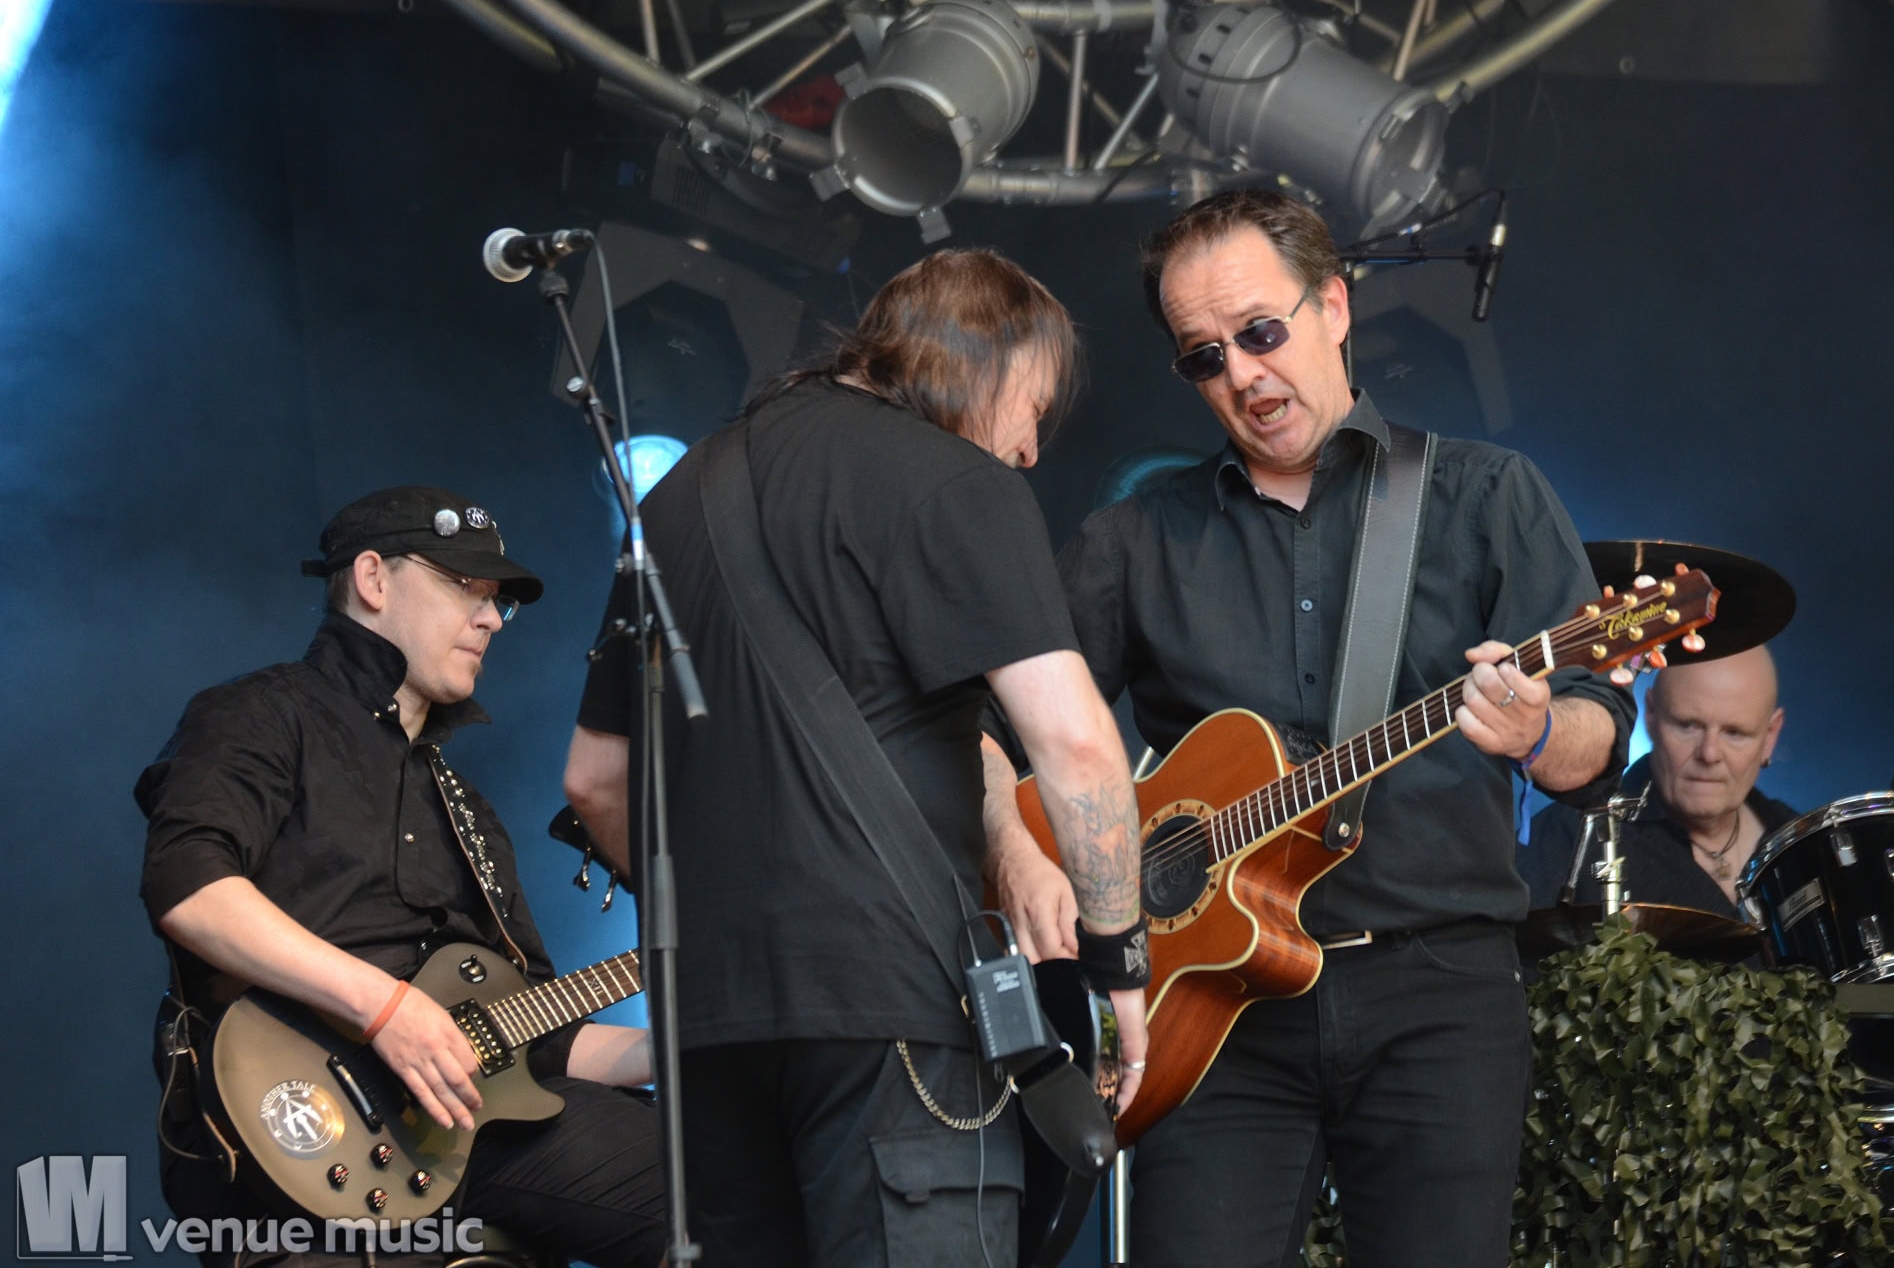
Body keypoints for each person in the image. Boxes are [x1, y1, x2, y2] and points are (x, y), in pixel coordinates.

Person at [990, 189, 1636, 1266]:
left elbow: (1597, 741)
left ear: (1333, 306)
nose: (1242, 375)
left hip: (1437, 993)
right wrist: (1023, 858)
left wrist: (1535, 731)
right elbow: (988, 732)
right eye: (1205, 357)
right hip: (1214, 1014)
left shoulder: (1486, 496)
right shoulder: (1133, 541)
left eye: (1261, 332)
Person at [562, 248, 1148, 1266]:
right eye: (1035, 409)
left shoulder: (676, 497)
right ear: (993, 363)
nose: (1028, 449)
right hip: (894, 1014)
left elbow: (594, 781)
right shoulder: (960, 483)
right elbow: (1078, 744)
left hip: (709, 1027)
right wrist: (1119, 966)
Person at [138, 486, 666, 1268]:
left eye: (497, 602)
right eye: (466, 587)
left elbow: (532, 1040)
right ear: (373, 579)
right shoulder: (261, 712)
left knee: (722, 1145)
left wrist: (687, 1047)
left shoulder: (469, 810)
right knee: (717, 1181)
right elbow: (189, 888)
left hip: (463, 1135)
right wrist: (384, 1008)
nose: (491, 619)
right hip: (299, 1130)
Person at [1519, 645, 1792, 917]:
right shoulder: (1566, 837)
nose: (1709, 754)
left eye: (1735, 733)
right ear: (1650, 716)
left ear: (1770, 736)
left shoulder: (1800, 842)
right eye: (1688, 725)